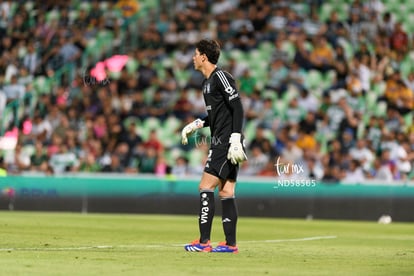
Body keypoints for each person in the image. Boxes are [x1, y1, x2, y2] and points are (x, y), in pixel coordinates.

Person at [181, 39, 247, 253]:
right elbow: (216, 116)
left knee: (205, 186)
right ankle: (230, 244)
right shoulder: (206, 83)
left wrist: (235, 138)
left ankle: (203, 242)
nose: (193, 57)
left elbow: (238, 107)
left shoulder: (221, 77)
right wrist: (196, 124)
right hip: (223, 138)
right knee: (226, 191)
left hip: (227, 141)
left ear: (204, 57)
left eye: (195, 53)